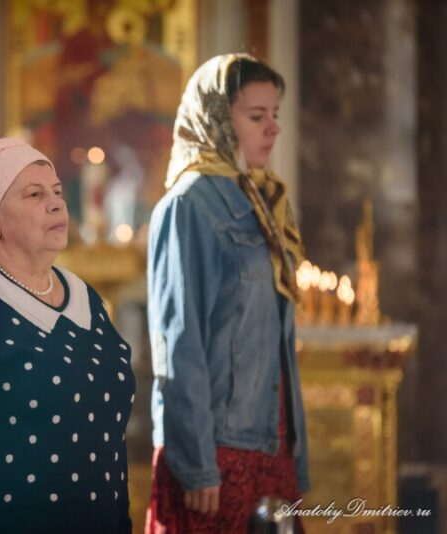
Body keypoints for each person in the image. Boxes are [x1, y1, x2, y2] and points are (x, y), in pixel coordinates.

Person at [0, 137, 136, 533]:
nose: (56, 204)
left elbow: (109, 443)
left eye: (57, 192)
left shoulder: (84, 295)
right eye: (34, 194)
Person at [145, 54, 310, 533]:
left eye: (275, 114)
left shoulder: (261, 200)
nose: (273, 128)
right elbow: (179, 343)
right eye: (256, 116)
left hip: (269, 441)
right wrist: (197, 464)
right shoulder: (189, 205)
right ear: (215, 118)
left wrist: (295, 454)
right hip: (217, 450)